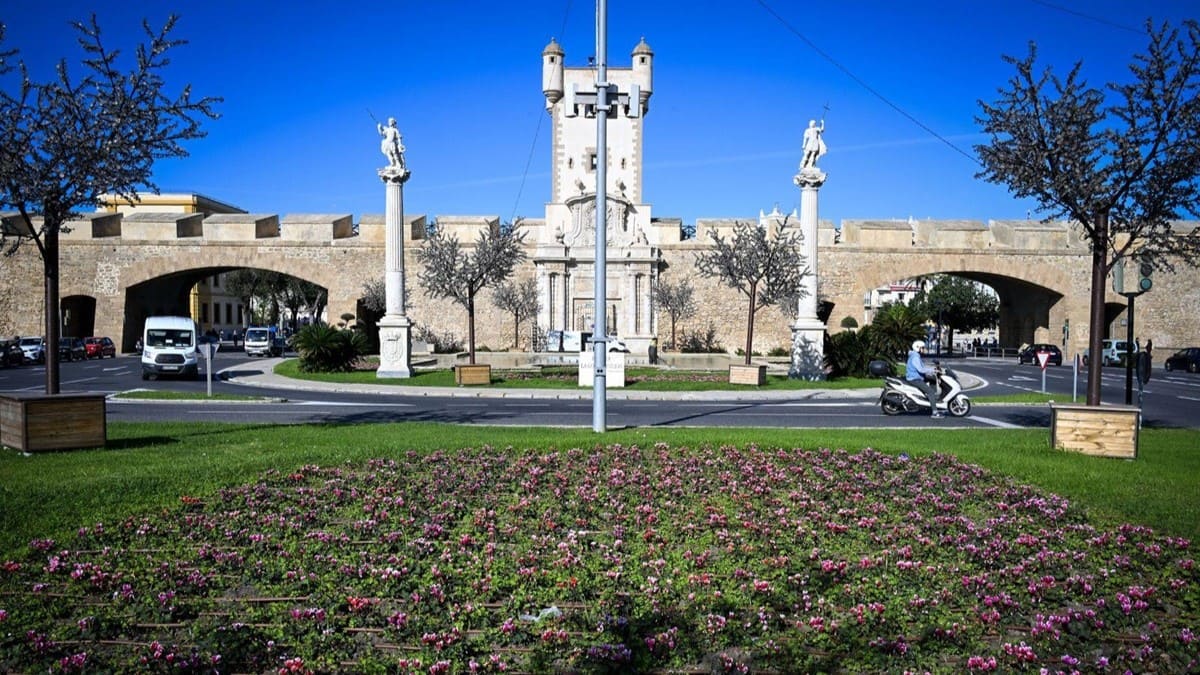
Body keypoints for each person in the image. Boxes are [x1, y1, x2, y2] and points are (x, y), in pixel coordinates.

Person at [906, 340, 943, 418]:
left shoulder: (915, 355)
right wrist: (933, 370)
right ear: (918, 348)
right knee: (930, 392)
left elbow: (922, 367)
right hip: (914, 379)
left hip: (917, 377)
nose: (924, 349)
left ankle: (932, 399)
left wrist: (933, 369)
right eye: (922, 348)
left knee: (932, 379)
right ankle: (935, 413)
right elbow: (921, 370)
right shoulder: (915, 357)